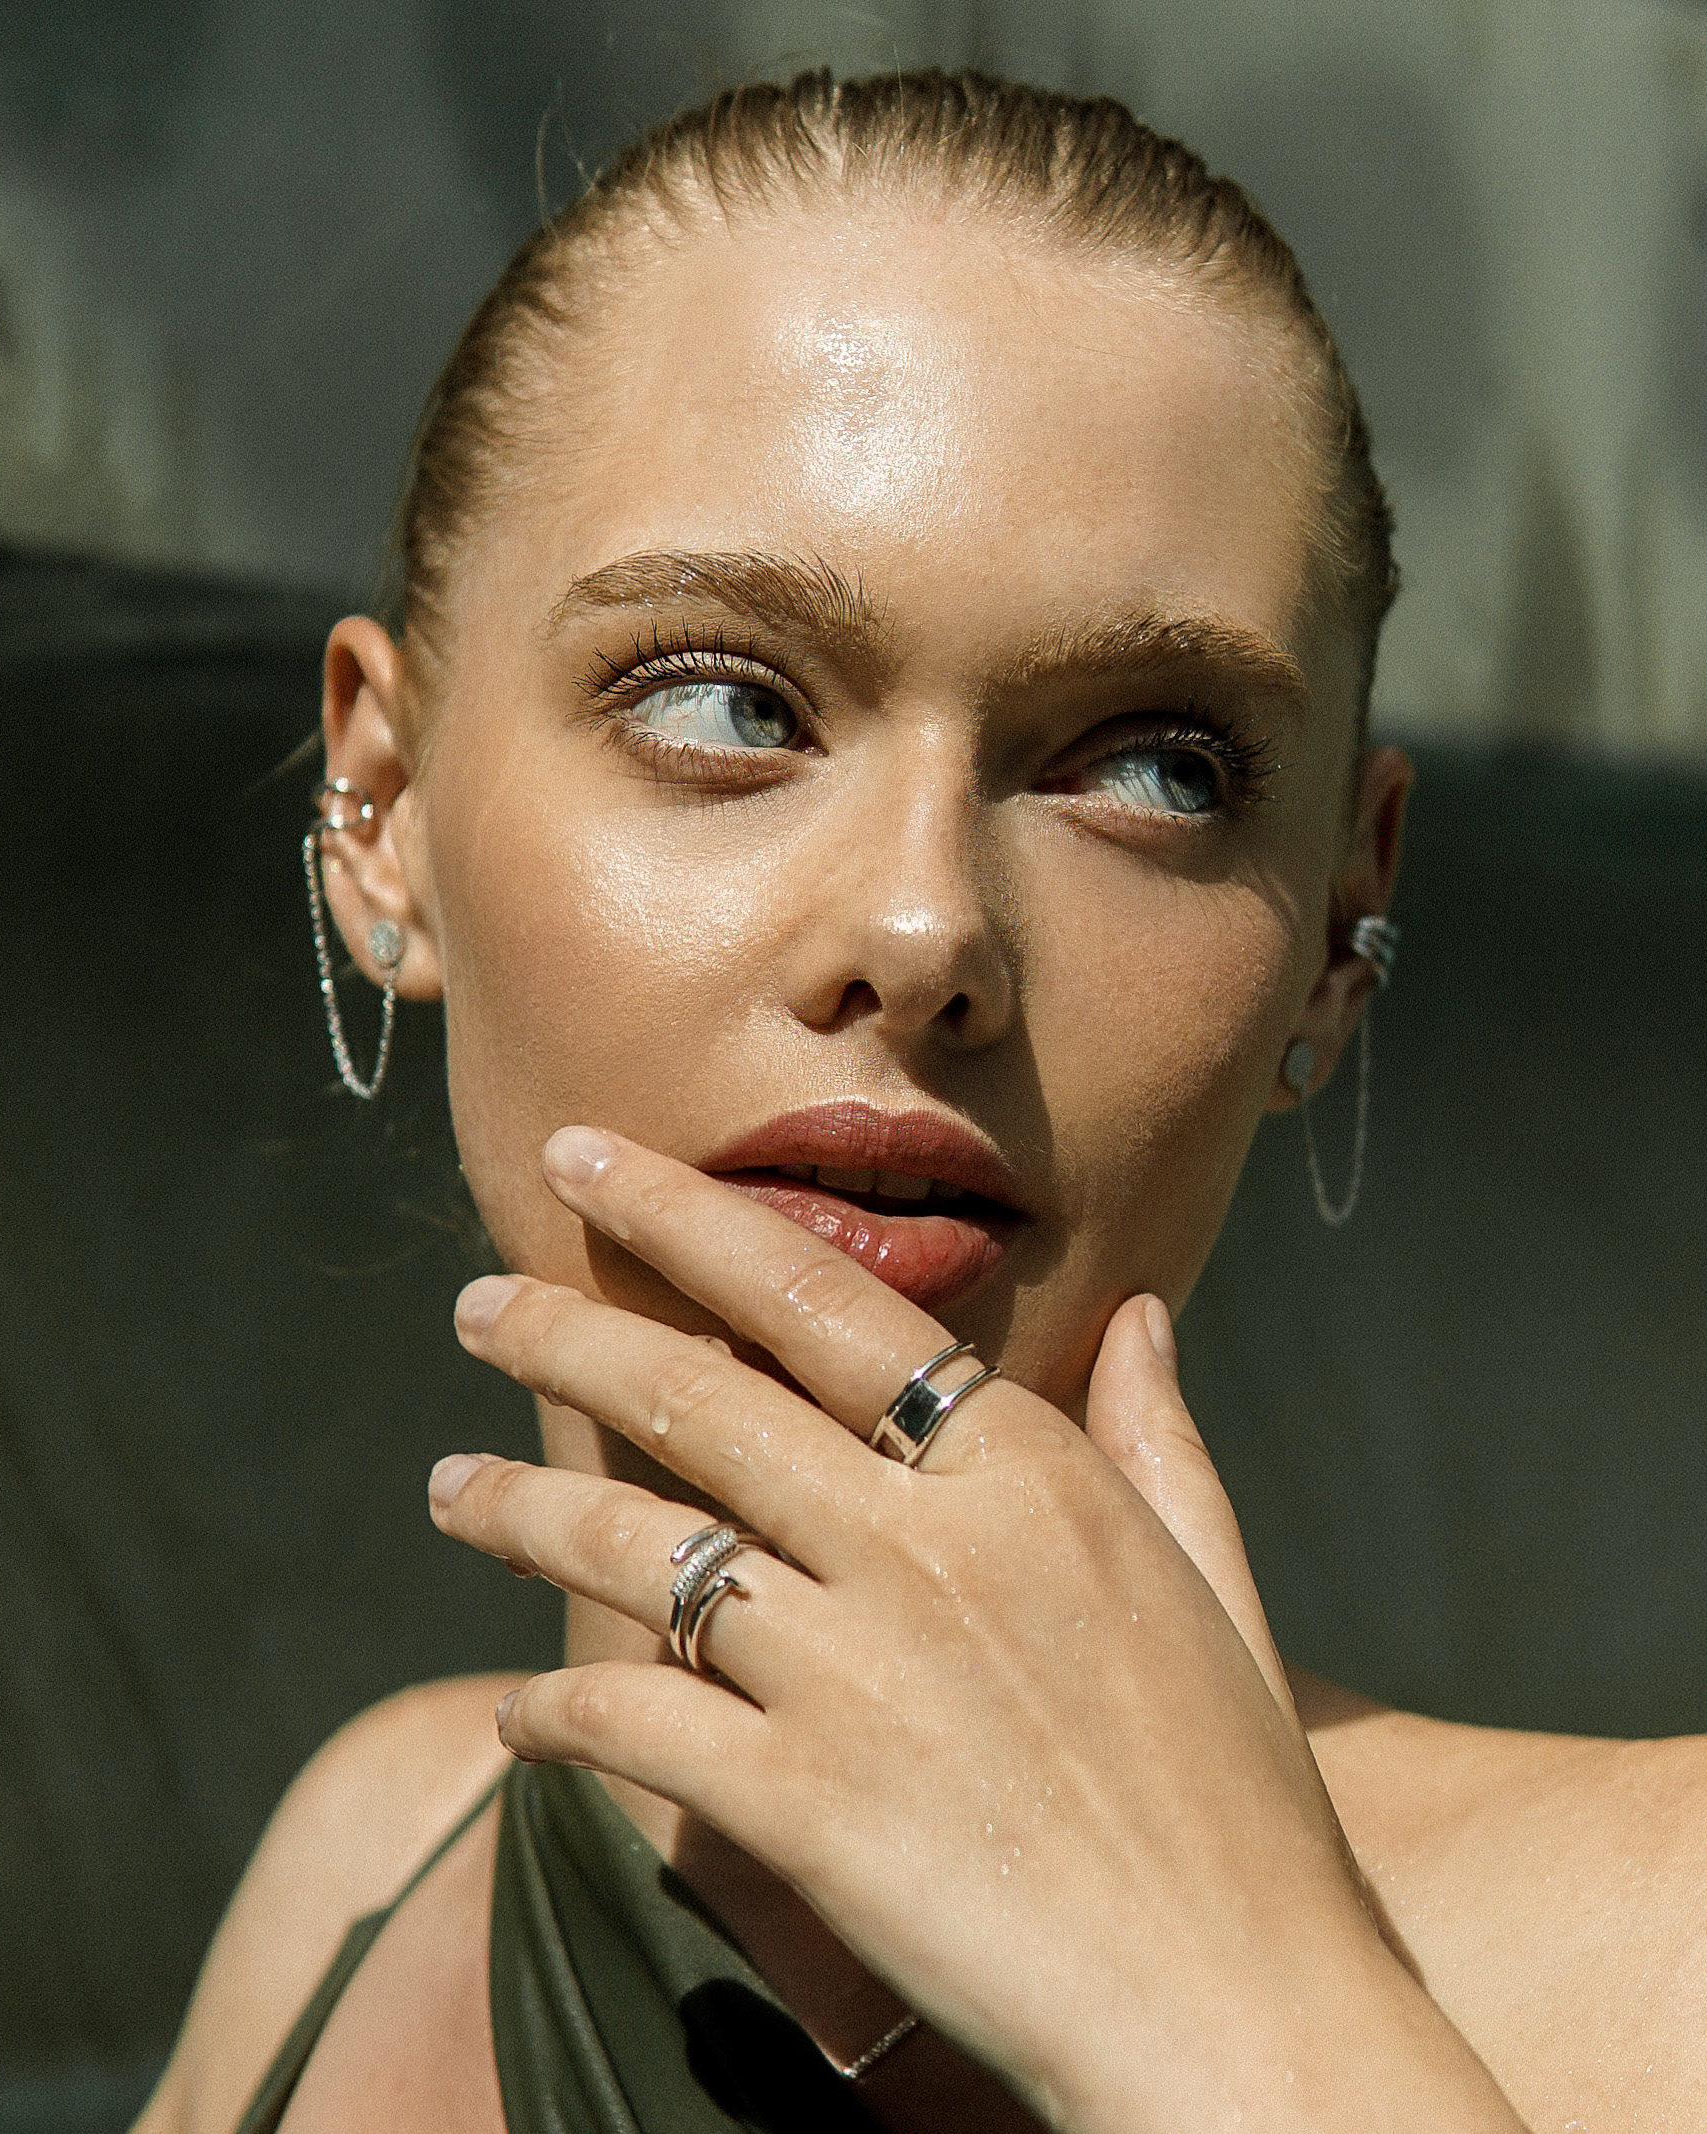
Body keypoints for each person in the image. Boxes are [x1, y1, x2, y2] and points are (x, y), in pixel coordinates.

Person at [121, 70, 1701, 2134]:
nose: (923, 924)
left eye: (1152, 766)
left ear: (1336, 925)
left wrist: (1240, 2009)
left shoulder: (1662, 1948)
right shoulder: (380, 1845)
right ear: (385, 811)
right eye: (724, 703)